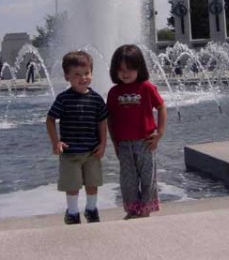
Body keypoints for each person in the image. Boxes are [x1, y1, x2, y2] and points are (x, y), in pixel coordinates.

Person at [46, 50, 108, 225]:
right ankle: (72, 212)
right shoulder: (63, 99)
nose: (83, 78)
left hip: (92, 150)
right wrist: (55, 141)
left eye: (87, 73)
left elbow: (102, 122)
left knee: (92, 182)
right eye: (77, 75)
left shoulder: (96, 99)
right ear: (67, 77)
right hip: (70, 152)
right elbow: (50, 120)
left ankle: (91, 209)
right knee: (72, 184)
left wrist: (103, 143)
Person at [107, 44, 167, 220]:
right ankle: (132, 209)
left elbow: (161, 107)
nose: (125, 74)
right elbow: (110, 119)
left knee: (148, 178)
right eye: (121, 70)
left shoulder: (146, 87)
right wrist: (115, 142)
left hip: (145, 142)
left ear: (139, 68)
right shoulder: (114, 92)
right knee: (128, 180)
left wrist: (160, 133)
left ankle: (145, 209)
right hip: (124, 144)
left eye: (130, 69)